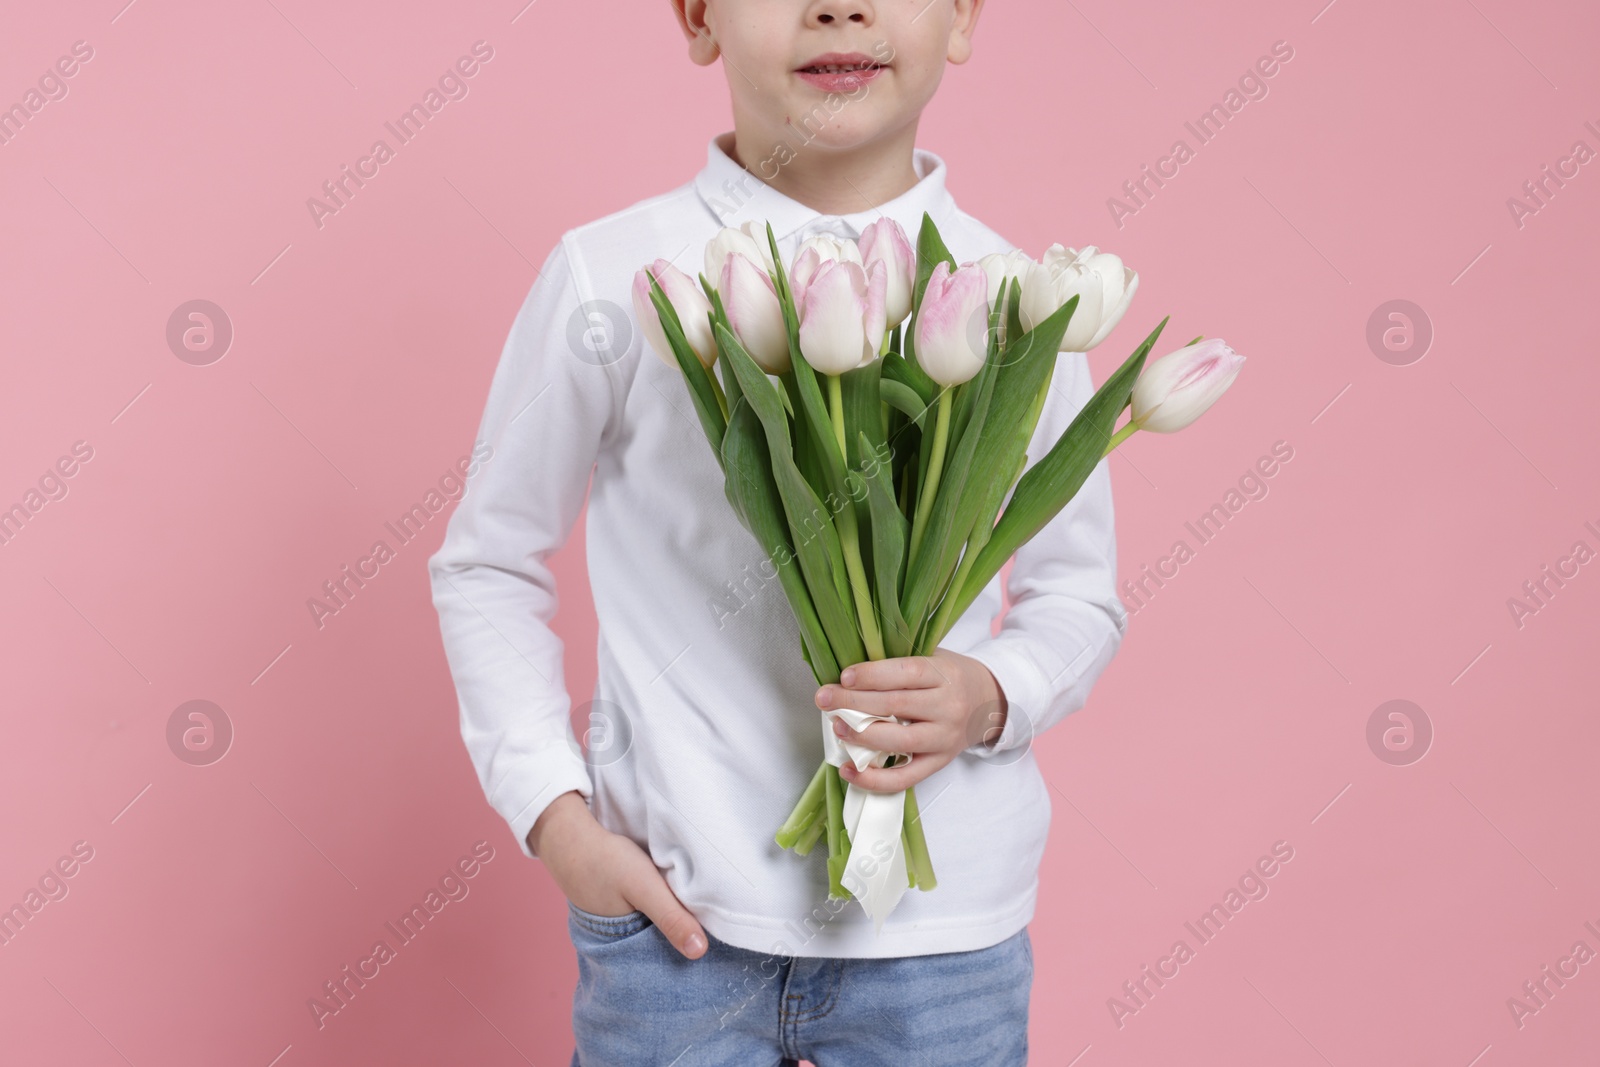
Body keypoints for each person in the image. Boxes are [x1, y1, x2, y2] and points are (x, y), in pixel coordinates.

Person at [427, 1, 1128, 1063]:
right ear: (701, 17)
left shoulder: (1020, 303)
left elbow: (1078, 592)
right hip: (675, 919)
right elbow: (487, 558)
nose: (837, 5)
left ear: (963, 17)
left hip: (946, 939)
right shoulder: (617, 275)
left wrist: (990, 694)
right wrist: (556, 818)